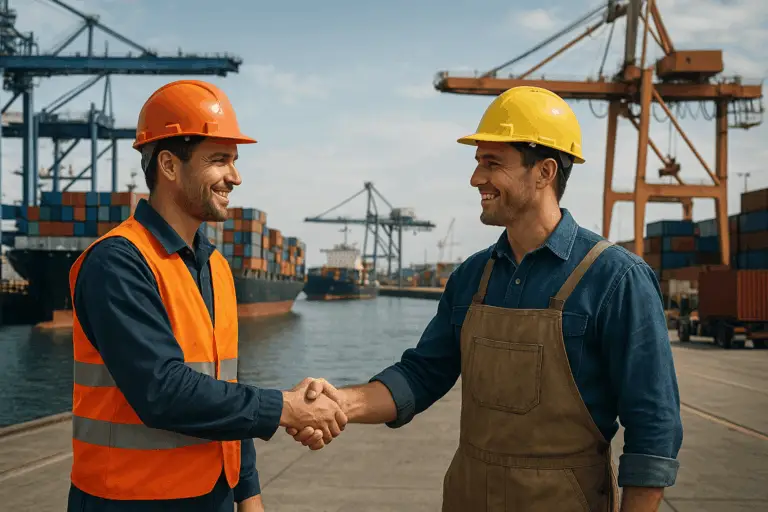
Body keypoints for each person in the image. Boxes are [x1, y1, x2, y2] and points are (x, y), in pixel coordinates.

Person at [288, 86, 684, 511]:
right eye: (477, 163)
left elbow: (653, 429)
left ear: (545, 171)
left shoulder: (616, 279)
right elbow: (423, 374)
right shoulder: (472, 277)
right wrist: (341, 403)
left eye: (492, 163)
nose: (476, 178)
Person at [67, 80, 347, 512]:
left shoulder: (216, 267)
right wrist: (286, 408)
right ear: (169, 165)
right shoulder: (117, 263)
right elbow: (162, 390)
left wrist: (248, 495)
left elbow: (224, 391)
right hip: (129, 500)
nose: (235, 177)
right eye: (219, 160)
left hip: (212, 495)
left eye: (234, 161)